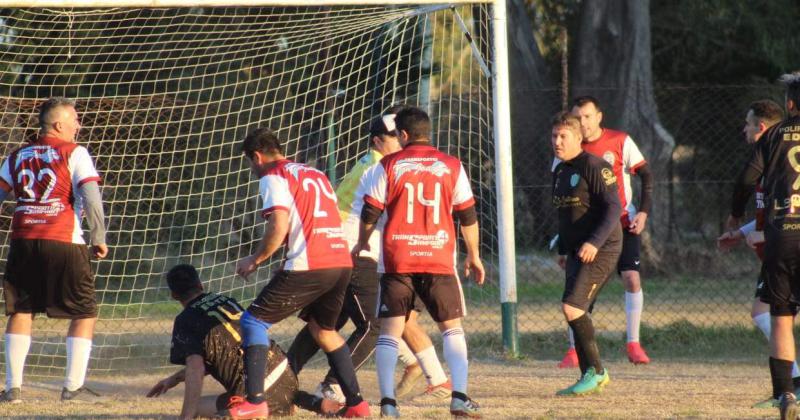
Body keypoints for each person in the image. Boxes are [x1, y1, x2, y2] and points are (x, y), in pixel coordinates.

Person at [286, 109, 452, 403]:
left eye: (404, 133)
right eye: (395, 135)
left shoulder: (369, 162)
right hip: (354, 253)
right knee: (375, 323)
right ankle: (333, 385)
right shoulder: (383, 168)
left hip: (335, 250)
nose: (402, 140)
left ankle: (282, 375)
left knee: (328, 322)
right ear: (378, 141)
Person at [225, 127, 369, 418]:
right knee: (324, 331)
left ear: (256, 156)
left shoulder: (273, 175)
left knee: (254, 322)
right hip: (339, 261)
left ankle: (255, 401)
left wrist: (255, 259)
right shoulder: (313, 173)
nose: (252, 169)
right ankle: (356, 404)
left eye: (250, 163)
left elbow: (278, 226)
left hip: (311, 263)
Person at [354, 106, 485, 417]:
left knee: (390, 329)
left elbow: (370, 212)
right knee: (451, 328)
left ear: (402, 135)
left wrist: (361, 243)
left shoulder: (386, 165)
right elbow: (467, 214)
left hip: (398, 260)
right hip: (438, 258)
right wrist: (474, 255)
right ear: (428, 131)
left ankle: (388, 404)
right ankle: (460, 397)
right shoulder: (452, 165)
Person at [0, 97, 108, 403]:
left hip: (23, 241)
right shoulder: (75, 152)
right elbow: (91, 196)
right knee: (85, 312)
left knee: (21, 310)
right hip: (64, 240)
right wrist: (99, 235)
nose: (79, 124)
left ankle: (12, 389)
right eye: (75, 119)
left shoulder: (17, 155)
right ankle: (72, 387)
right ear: (59, 124)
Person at [146, 264, 341, 419]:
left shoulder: (185, 320)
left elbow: (196, 367)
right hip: (286, 373)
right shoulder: (226, 301)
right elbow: (215, 354)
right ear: (200, 285)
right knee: (278, 388)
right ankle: (311, 402)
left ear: (174, 295)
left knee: (196, 406)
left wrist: (186, 416)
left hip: (256, 392)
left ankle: (262, 407)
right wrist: (173, 379)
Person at [556, 96, 653, 368]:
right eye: (578, 118)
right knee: (578, 294)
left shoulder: (619, 140)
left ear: (599, 116)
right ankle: (575, 350)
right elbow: (564, 204)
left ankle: (633, 343)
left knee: (632, 278)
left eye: (587, 116)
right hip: (586, 230)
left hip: (621, 222)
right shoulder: (568, 151)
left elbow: (646, 175)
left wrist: (643, 212)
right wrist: (563, 243)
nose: (583, 123)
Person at [717, 99, 798, 408]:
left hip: (786, 242)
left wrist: (744, 221)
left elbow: (747, 185)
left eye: (749, 124)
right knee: (763, 312)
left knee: (775, 316)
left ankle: (787, 390)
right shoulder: (775, 161)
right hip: (783, 239)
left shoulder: (772, 151)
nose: (744, 129)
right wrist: (743, 232)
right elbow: (772, 210)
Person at [551, 111, 622, 396]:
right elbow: (566, 214)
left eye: (563, 136)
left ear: (578, 138)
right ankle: (591, 374)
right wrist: (563, 248)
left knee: (573, 307)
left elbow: (613, 208)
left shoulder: (595, 165)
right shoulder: (560, 169)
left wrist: (594, 242)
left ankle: (597, 372)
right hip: (578, 251)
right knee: (575, 311)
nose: (557, 141)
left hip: (601, 248)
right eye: (554, 136)